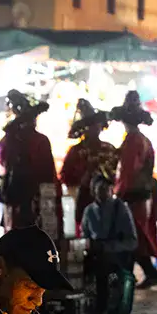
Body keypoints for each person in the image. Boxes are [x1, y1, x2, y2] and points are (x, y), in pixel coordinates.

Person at [111, 91, 157, 289]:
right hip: (142, 196)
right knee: (135, 237)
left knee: (133, 237)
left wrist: (118, 194)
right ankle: (133, 276)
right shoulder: (143, 139)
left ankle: (142, 275)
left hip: (133, 196)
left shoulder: (133, 141)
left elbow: (128, 171)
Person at [0, 90, 61, 234]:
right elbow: (48, 172)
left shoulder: (9, 140)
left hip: (14, 195)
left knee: (14, 235)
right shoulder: (40, 140)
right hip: (36, 196)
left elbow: (2, 160)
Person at [60, 98, 117, 239]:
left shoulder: (109, 149)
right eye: (91, 126)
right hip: (84, 198)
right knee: (85, 235)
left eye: (97, 125)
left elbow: (118, 175)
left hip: (108, 199)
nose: (95, 128)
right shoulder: (75, 151)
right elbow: (65, 176)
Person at [83, 175, 138, 314]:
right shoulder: (89, 211)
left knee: (103, 266)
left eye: (105, 189)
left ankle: (103, 307)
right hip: (96, 253)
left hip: (118, 254)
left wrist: (108, 247)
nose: (102, 193)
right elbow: (85, 235)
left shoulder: (120, 210)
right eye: (98, 190)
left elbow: (132, 242)